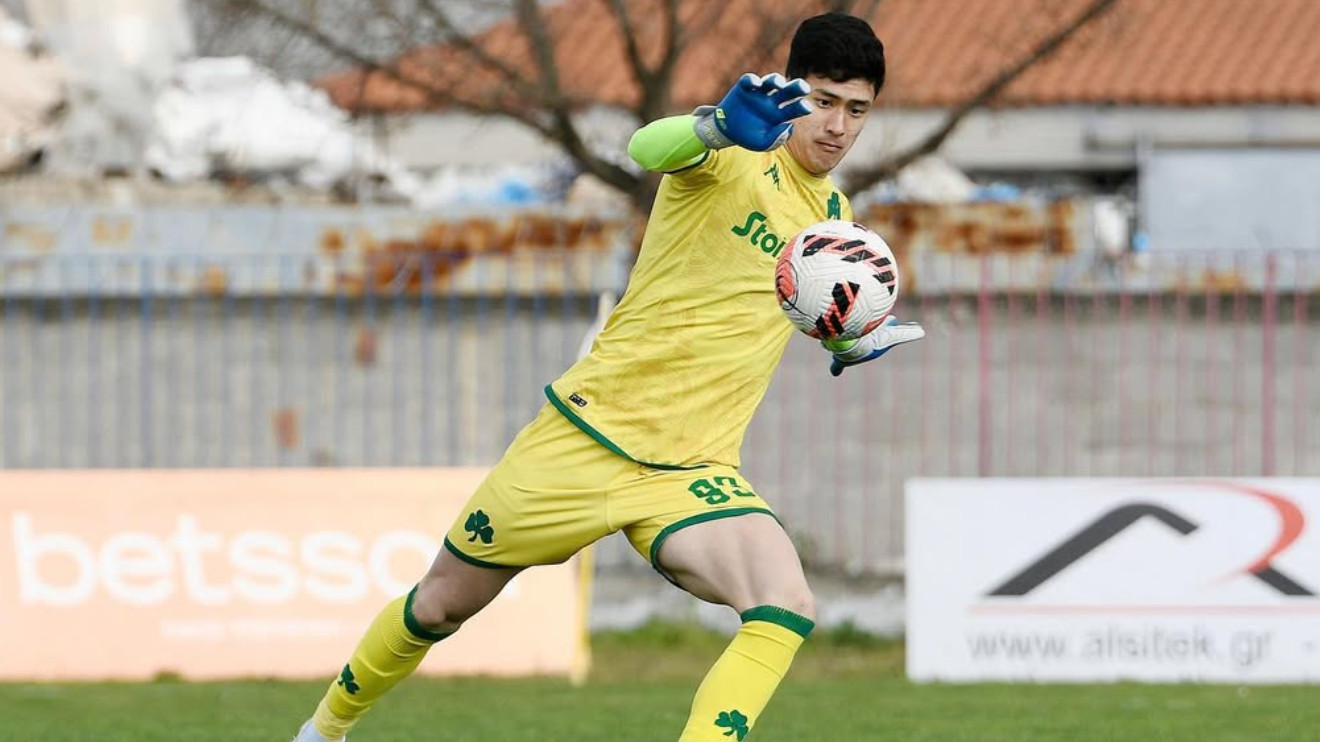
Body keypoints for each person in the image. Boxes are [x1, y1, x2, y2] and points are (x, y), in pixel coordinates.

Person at [292, 12, 923, 742]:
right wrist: (715, 126)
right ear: (791, 89)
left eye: (857, 110)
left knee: (785, 604)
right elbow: (645, 145)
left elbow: (788, 306)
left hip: (691, 469)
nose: (838, 126)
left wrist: (846, 339)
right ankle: (324, 730)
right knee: (439, 605)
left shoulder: (835, 219)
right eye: (822, 100)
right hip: (586, 437)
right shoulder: (732, 147)